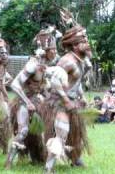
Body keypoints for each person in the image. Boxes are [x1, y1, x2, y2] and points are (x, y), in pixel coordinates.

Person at [5, 27, 59, 169]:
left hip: (39, 102)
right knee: (23, 132)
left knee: (50, 128)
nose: (55, 52)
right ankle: (8, 163)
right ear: (46, 50)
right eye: (53, 49)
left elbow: (43, 87)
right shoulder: (32, 65)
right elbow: (15, 84)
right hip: (24, 101)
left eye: (55, 49)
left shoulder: (46, 65)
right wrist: (27, 102)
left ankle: (41, 157)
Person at [44, 24, 92, 173]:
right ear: (75, 45)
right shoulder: (67, 61)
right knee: (62, 135)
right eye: (84, 41)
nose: (87, 43)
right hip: (59, 103)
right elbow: (54, 82)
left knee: (76, 133)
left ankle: (75, 158)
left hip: (72, 103)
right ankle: (48, 168)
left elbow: (75, 82)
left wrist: (81, 96)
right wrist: (66, 100)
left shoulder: (80, 60)